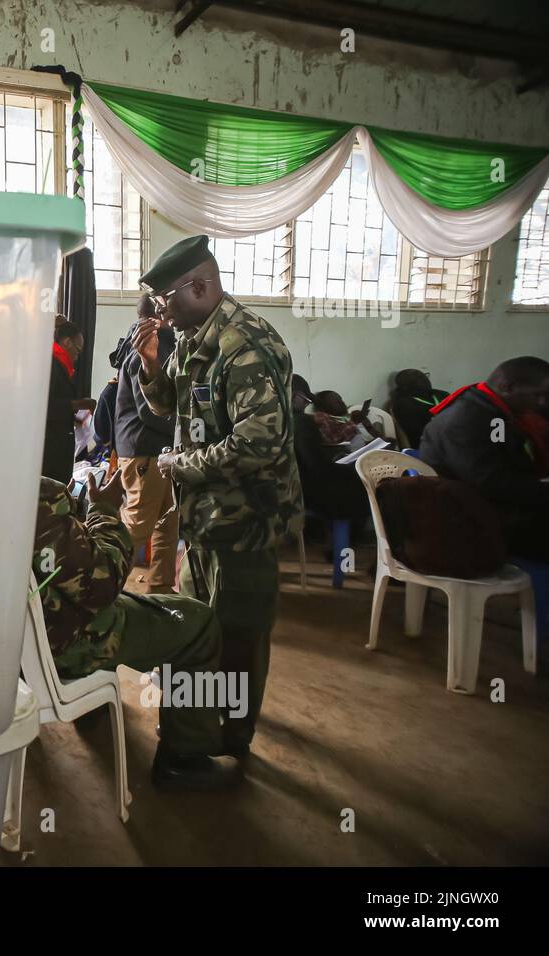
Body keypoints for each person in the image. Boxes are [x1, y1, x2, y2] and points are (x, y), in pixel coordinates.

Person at [131, 235, 303, 760]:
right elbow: (167, 408)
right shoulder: (193, 337)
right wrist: (150, 362)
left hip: (246, 520)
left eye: (166, 301)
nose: (162, 312)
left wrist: (178, 464)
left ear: (199, 286)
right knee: (199, 629)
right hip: (205, 518)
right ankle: (197, 729)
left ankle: (230, 737)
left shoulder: (244, 346)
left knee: (239, 636)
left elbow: (260, 442)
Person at [33, 470, 241, 790]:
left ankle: (91, 708)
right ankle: (184, 759)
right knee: (198, 622)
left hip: (6, 653)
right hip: (62, 644)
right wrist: (103, 510)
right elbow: (103, 583)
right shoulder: (28, 499)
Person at [419, 356, 549, 562]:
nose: (541, 403)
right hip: (468, 521)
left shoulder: (489, 409)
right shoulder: (468, 418)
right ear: (507, 386)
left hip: (485, 508)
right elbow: (489, 483)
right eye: (538, 395)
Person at [106, 298, 178, 592]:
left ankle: (160, 588)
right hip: (145, 450)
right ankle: (104, 590)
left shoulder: (157, 345)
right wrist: (180, 431)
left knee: (168, 524)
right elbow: (150, 410)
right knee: (136, 527)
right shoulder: (145, 350)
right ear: (159, 316)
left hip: (157, 451)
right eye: (169, 309)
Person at [292, 375, 371, 537]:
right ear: (295, 395)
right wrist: (352, 470)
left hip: (287, 488)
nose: (306, 405)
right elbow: (316, 467)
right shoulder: (301, 422)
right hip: (307, 491)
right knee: (365, 485)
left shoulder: (272, 421)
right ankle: (346, 544)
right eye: (306, 400)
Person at [42, 319, 96, 483]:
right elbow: (45, 406)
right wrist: (77, 405)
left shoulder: (58, 366)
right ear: (66, 342)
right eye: (77, 351)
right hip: (50, 456)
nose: (77, 357)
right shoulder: (50, 364)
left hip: (56, 454)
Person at [391, 368, 449, 448]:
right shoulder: (404, 406)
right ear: (406, 387)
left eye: (424, 376)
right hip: (433, 446)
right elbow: (418, 436)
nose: (425, 380)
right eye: (419, 379)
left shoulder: (442, 394)